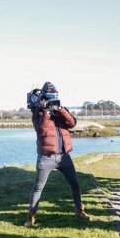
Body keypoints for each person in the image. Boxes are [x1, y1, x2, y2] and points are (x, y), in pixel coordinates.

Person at [26, 82, 91, 227]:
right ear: (43, 97)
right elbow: (41, 130)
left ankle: (79, 210)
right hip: (46, 157)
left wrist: (60, 109)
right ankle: (30, 216)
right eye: (49, 97)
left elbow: (72, 123)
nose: (51, 100)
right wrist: (46, 112)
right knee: (38, 187)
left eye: (54, 97)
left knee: (75, 184)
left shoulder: (61, 110)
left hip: (64, 157)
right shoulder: (38, 114)